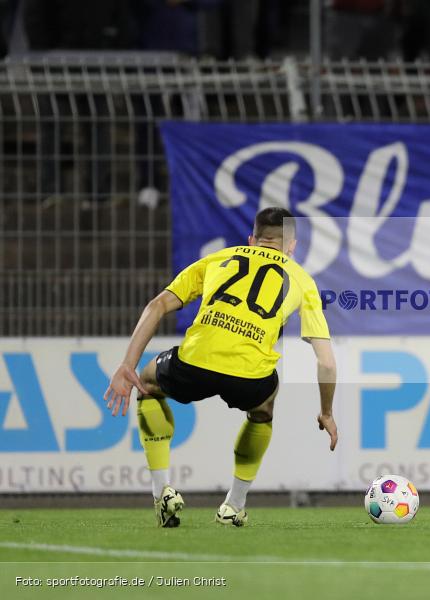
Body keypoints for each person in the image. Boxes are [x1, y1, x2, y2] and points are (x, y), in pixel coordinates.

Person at [104, 208, 338, 528]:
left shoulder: (219, 259)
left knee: (147, 384)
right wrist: (326, 411)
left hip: (194, 362)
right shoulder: (302, 279)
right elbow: (326, 360)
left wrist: (127, 365)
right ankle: (233, 505)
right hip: (250, 377)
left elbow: (157, 305)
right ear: (291, 246)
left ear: (252, 239)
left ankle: (162, 493)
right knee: (263, 407)